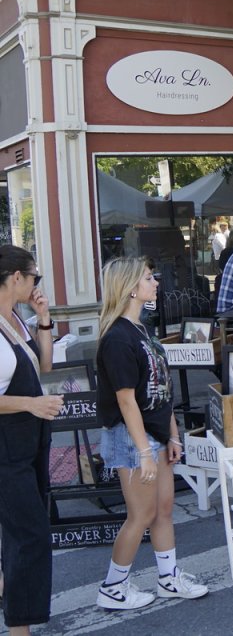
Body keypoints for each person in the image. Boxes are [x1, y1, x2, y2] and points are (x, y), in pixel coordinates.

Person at [95, 257, 208, 610]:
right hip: (132, 438)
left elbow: (162, 389)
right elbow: (126, 400)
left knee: (163, 509)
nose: (156, 282)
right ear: (131, 288)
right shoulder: (117, 337)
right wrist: (144, 451)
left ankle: (168, 578)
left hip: (154, 433)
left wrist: (173, 435)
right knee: (141, 515)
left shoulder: (143, 330)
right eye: (148, 278)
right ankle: (113, 586)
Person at [0, 245, 62, 635]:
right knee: (30, 536)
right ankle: (19, 629)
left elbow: (45, 367)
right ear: (16, 277)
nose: (38, 283)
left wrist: (43, 320)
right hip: (7, 449)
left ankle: (9, 595)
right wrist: (31, 404)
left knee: (21, 533)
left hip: (28, 444)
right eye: (35, 276)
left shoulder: (15, 321)